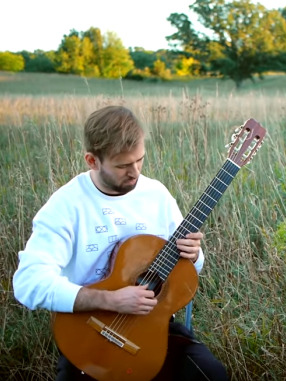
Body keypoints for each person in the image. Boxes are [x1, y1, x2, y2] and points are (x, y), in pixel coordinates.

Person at [12, 105, 228, 381]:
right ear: (92, 161)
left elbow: (188, 270)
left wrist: (193, 255)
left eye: (140, 160)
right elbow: (28, 283)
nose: (135, 172)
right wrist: (111, 299)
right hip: (92, 333)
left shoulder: (156, 195)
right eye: (123, 165)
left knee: (211, 375)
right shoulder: (66, 206)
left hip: (155, 328)